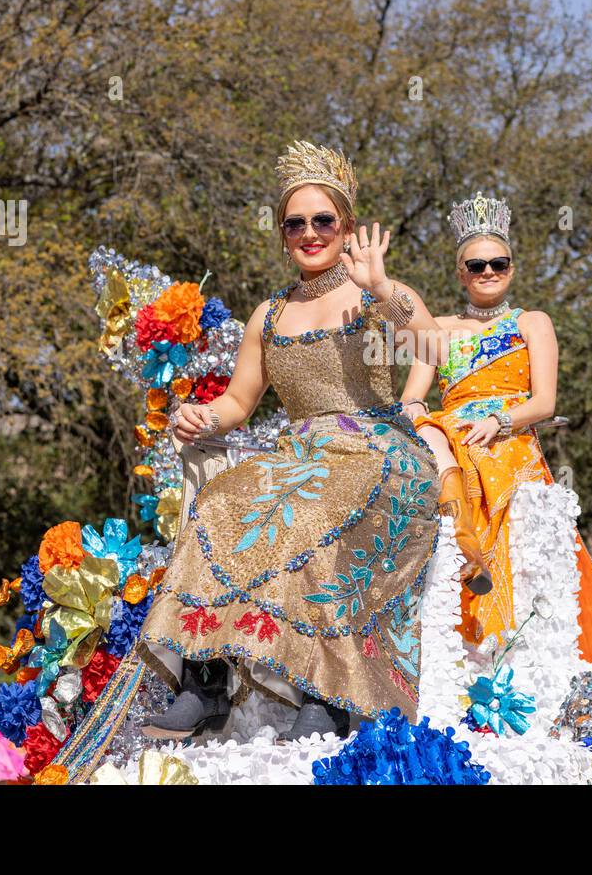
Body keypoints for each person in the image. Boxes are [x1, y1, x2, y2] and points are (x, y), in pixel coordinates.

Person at [135, 141, 448, 741]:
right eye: (296, 223)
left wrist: (382, 288)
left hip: (376, 448)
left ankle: (324, 694)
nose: (310, 233)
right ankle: (204, 685)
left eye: (323, 221)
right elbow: (239, 401)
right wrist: (204, 417)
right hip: (300, 451)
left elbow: (434, 350)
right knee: (222, 502)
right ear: (282, 234)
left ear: (348, 228)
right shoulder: (269, 314)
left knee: (313, 510)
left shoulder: (373, 292)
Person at [399, 191, 592, 661]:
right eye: (476, 265)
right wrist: (416, 417)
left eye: (498, 263)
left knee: (486, 465)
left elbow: (545, 402)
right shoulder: (439, 327)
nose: (488, 271)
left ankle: (503, 635)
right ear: (460, 273)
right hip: (449, 436)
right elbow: (412, 394)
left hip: (508, 438)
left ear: (511, 268)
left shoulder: (533, 322)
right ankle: (463, 562)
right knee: (426, 449)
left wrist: (498, 420)